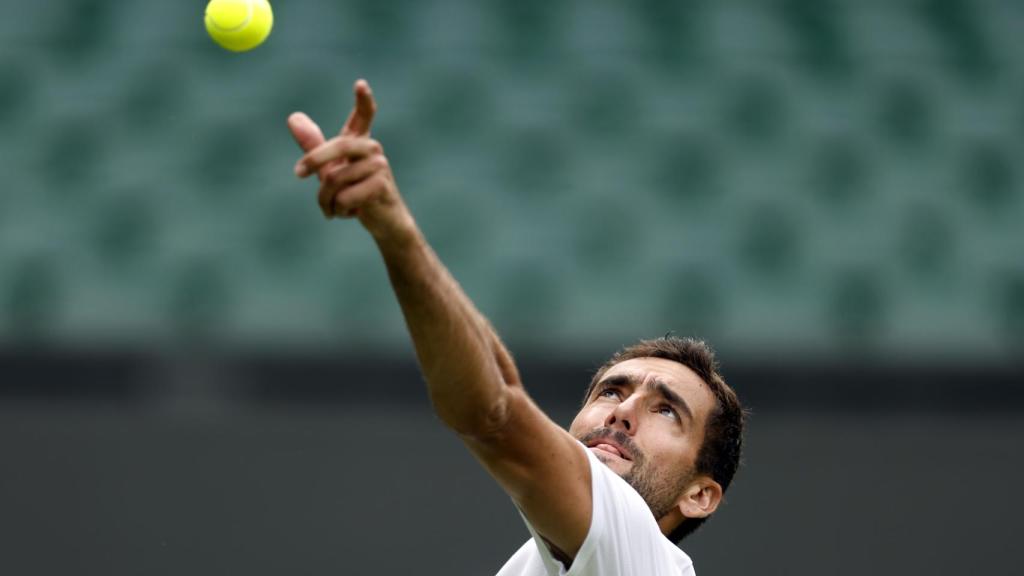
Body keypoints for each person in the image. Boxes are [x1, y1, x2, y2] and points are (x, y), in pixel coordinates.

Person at [287, 79, 746, 576]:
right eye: (610, 392)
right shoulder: (542, 563)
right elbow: (501, 383)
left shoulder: (637, 553)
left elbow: (492, 414)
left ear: (699, 495)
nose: (624, 412)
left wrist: (393, 229)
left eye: (667, 411)